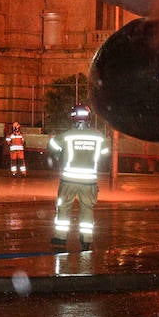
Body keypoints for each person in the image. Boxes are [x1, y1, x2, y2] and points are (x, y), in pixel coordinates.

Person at [48, 104, 109, 250]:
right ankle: (86, 240)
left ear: (73, 118)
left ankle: (61, 239)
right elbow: (105, 153)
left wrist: (60, 154)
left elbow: (52, 146)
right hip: (89, 181)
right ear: (89, 118)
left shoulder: (68, 135)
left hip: (69, 180)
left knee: (64, 208)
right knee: (87, 209)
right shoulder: (99, 137)